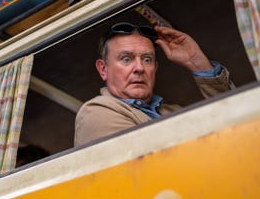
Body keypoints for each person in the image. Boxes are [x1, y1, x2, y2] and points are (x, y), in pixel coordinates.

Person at [74, 21, 234, 146]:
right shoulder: (97, 112)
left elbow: (235, 126)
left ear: (155, 68)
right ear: (103, 69)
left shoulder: (173, 110)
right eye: (126, 59)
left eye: (147, 59)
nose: (139, 68)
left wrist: (197, 63)